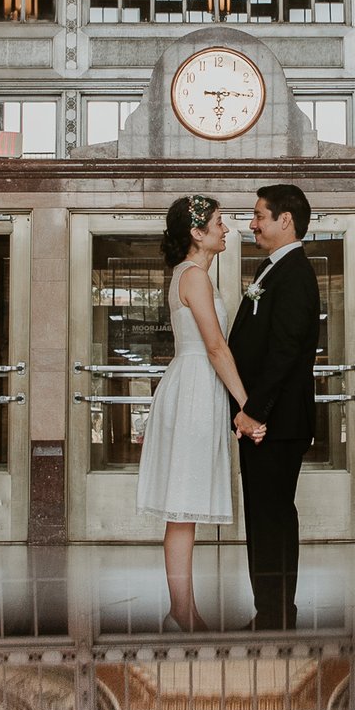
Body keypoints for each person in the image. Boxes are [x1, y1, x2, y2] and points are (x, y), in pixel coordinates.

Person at [136, 194, 253, 631]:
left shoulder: (190, 275)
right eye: (219, 223)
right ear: (196, 233)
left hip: (192, 386)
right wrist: (246, 402)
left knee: (182, 509)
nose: (226, 229)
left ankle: (184, 610)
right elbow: (215, 346)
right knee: (182, 507)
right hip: (193, 390)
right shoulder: (195, 278)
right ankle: (182, 612)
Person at [224, 183, 320, 629]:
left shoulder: (295, 272)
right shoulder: (272, 268)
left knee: (273, 517)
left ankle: (277, 612)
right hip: (266, 419)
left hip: (277, 421)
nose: (252, 223)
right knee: (262, 518)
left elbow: (285, 350)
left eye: (260, 215)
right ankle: (270, 609)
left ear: (286, 220)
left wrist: (254, 412)